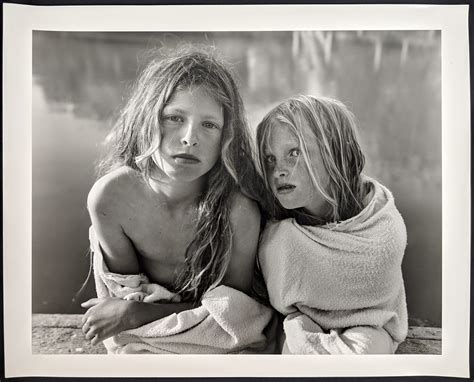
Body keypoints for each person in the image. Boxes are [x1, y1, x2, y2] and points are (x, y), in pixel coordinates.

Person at [80, 48, 269, 352]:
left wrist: (137, 314)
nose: (189, 138)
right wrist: (132, 310)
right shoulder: (111, 198)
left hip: (211, 340)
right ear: (147, 119)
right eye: (174, 118)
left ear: (226, 136)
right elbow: (127, 296)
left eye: (209, 125)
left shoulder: (237, 211)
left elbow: (234, 315)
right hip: (149, 336)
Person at [256, 95, 408, 354]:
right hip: (298, 322)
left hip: (368, 324)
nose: (278, 170)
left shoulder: (377, 222)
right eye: (270, 158)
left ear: (334, 151)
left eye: (294, 153)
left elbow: (379, 277)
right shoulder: (274, 223)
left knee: (366, 354)